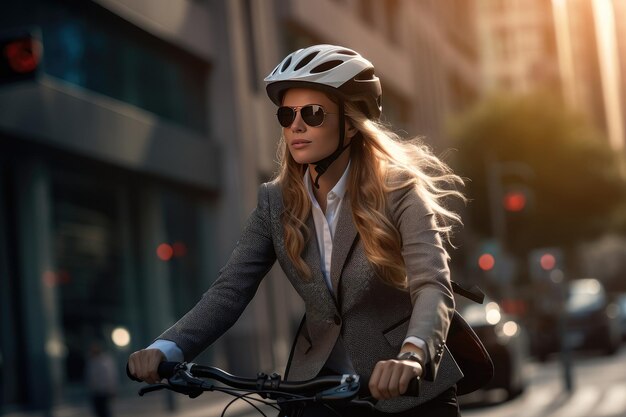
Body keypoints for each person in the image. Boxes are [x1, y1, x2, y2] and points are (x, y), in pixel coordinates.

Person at [128, 44, 466, 416]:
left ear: (351, 122)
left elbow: (432, 284)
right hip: (319, 393)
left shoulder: (398, 191)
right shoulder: (275, 202)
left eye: (313, 113)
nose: (296, 126)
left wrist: (413, 354)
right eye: (287, 114)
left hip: (408, 392)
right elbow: (229, 291)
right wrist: (165, 349)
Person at [86, 341, 118, 417]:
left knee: (105, 411)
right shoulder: (91, 362)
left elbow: (111, 376)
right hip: (95, 392)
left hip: (104, 391)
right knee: (98, 411)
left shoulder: (105, 361)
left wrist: (112, 389)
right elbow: (89, 377)